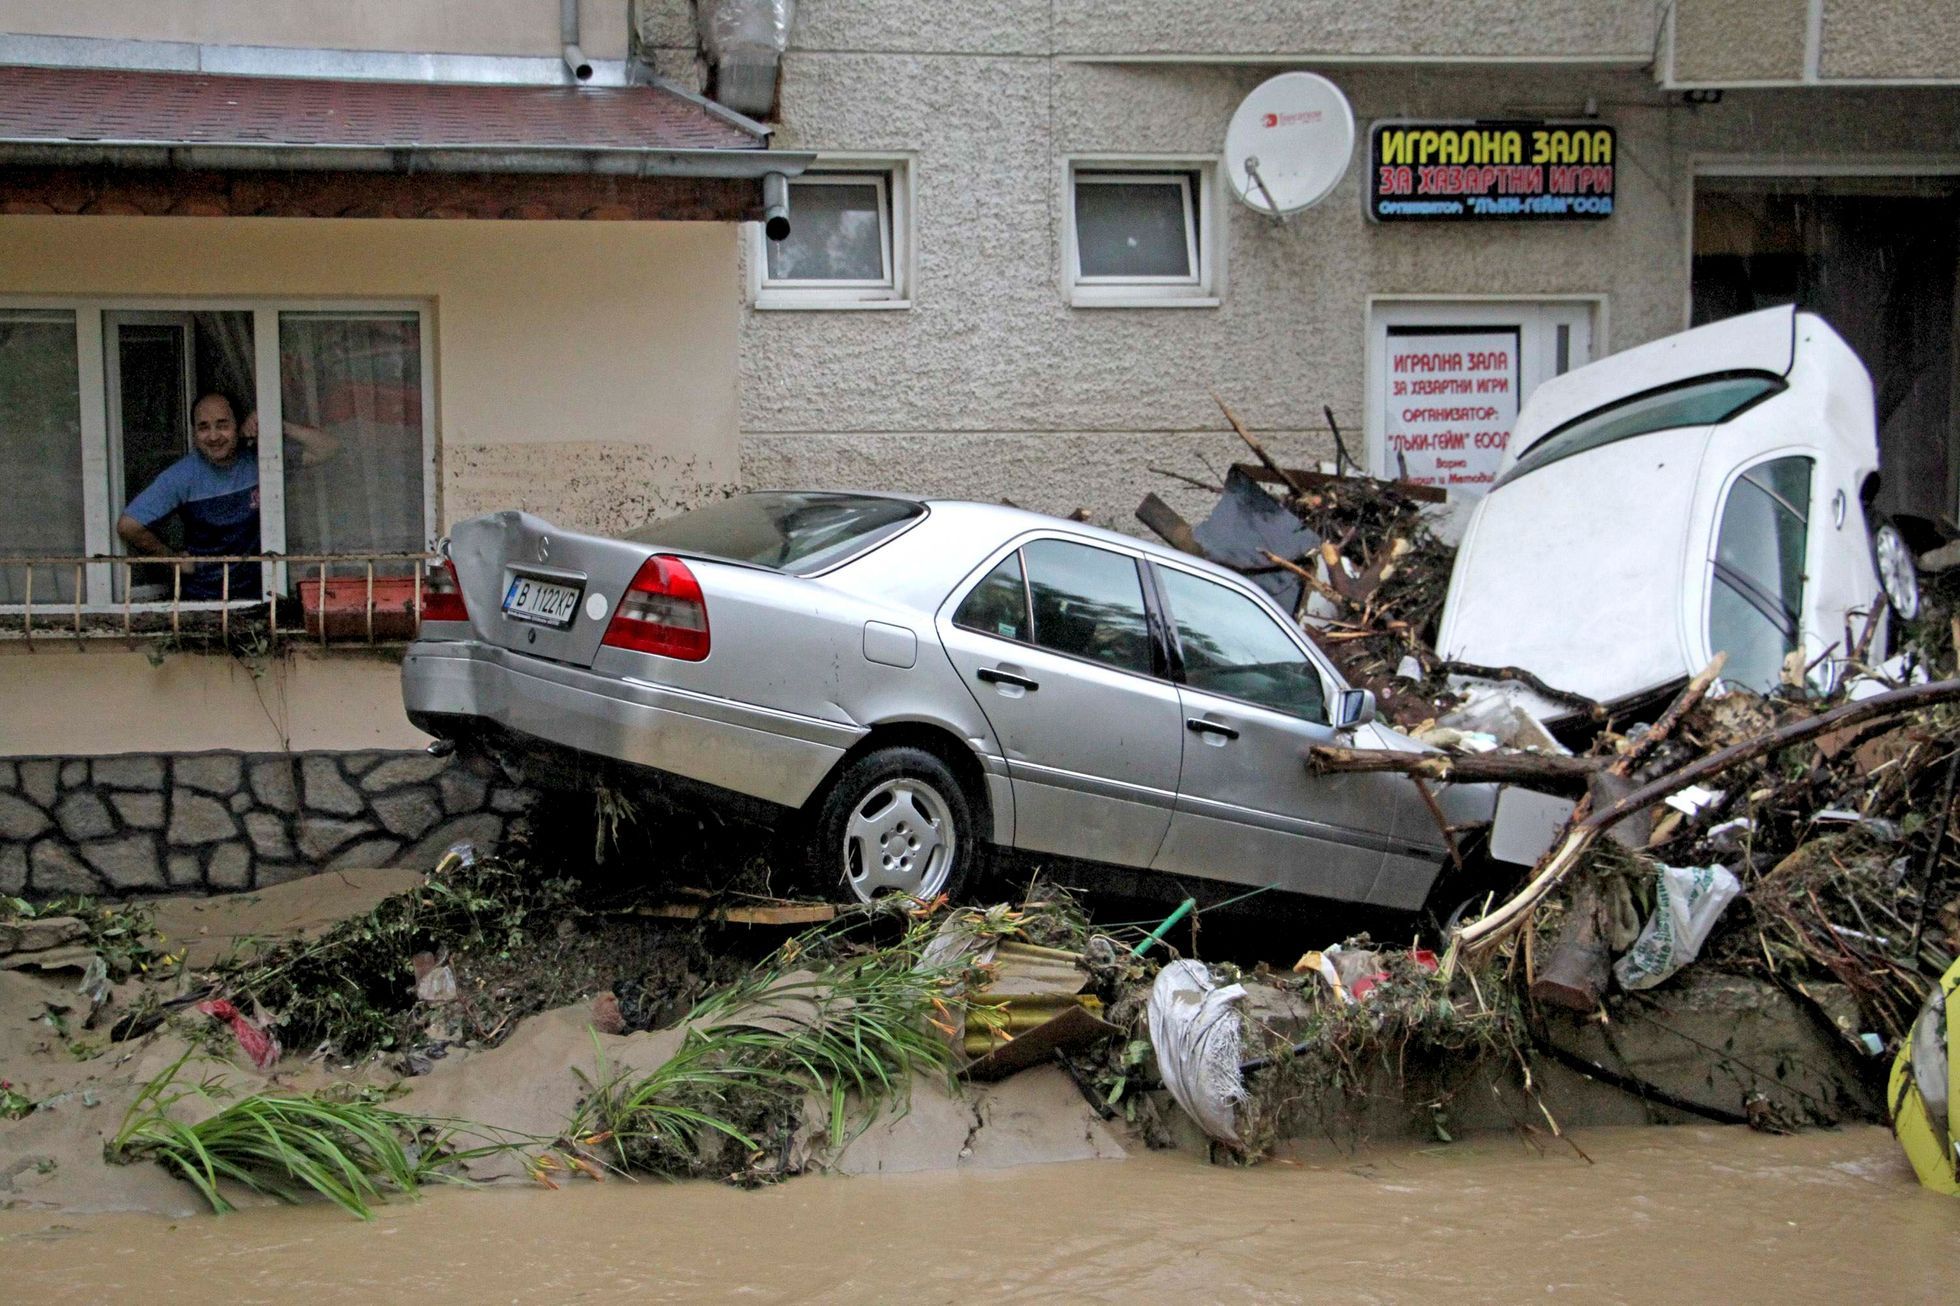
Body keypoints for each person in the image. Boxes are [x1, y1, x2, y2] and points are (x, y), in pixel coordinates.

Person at [115, 392, 336, 600]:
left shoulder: (263, 459)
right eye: (203, 427)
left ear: (239, 426)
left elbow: (329, 448)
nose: (213, 436)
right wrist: (173, 560)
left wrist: (275, 424)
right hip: (204, 603)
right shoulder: (182, 476)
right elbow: (129, 526)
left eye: (222, 425)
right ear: (194, 432)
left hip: (265, 597)